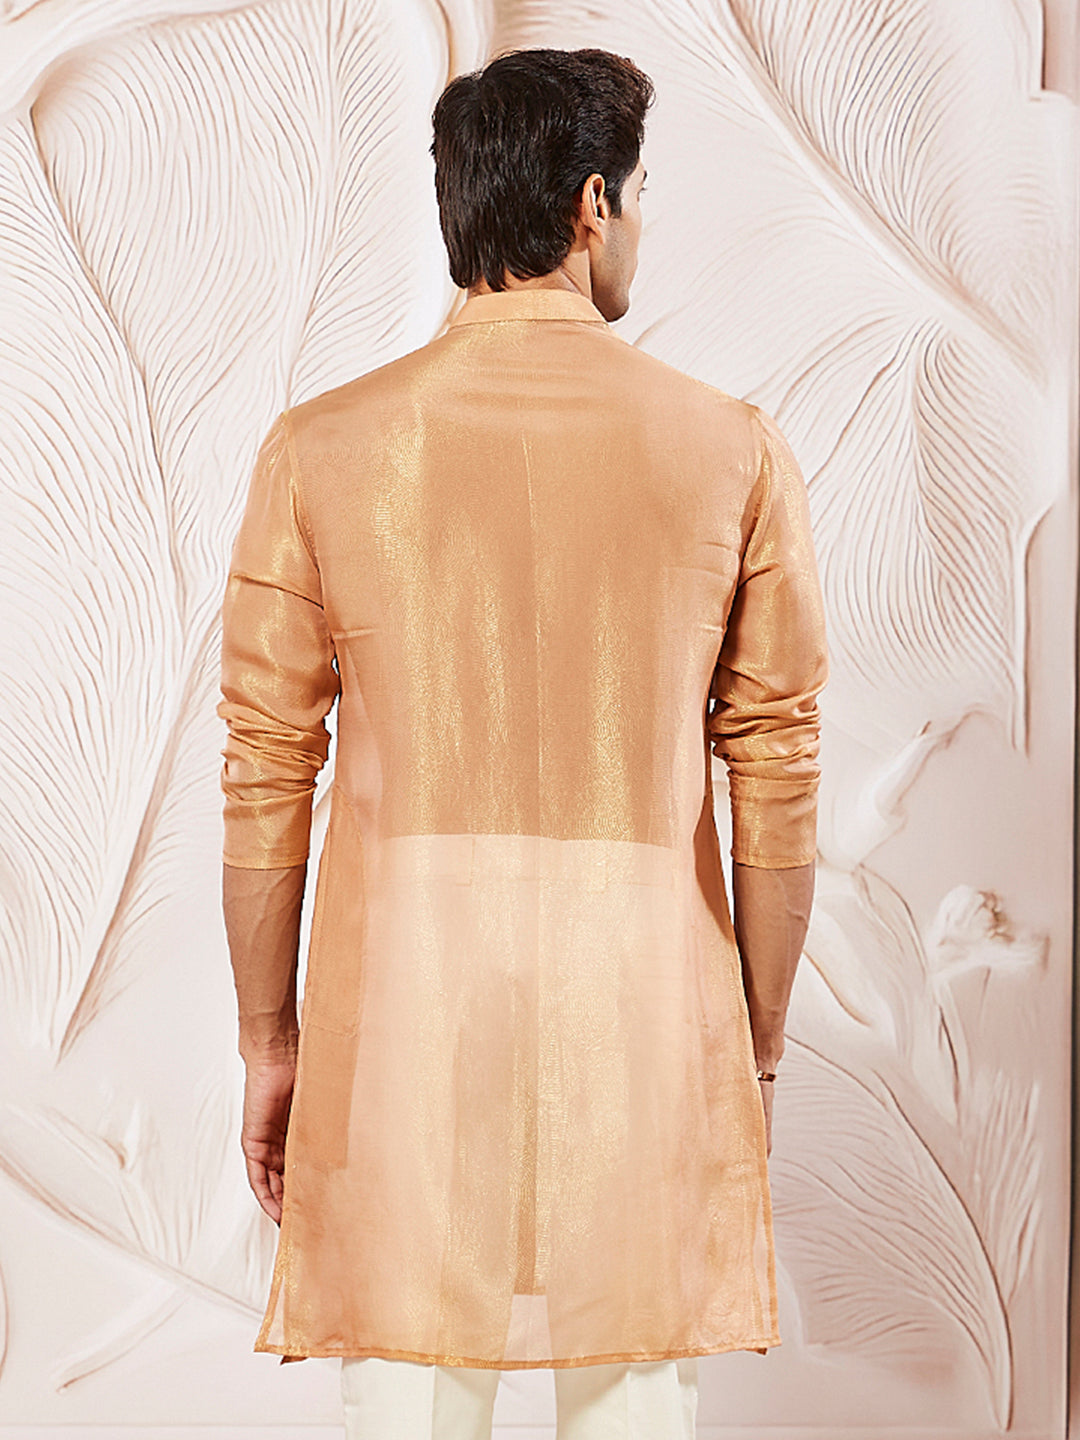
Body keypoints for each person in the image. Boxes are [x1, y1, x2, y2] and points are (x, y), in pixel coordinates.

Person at [217, 45, 828, 1440]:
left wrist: (270, 1041)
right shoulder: (732, 449)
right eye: (641, 193)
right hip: (643, 981)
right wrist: (755, 1047)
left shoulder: (320, 448)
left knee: (414, 1393)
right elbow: (776, 760)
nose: (639, 225)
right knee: (632, 1394)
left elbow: (265, 769)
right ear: (592, 203)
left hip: (410, 988)